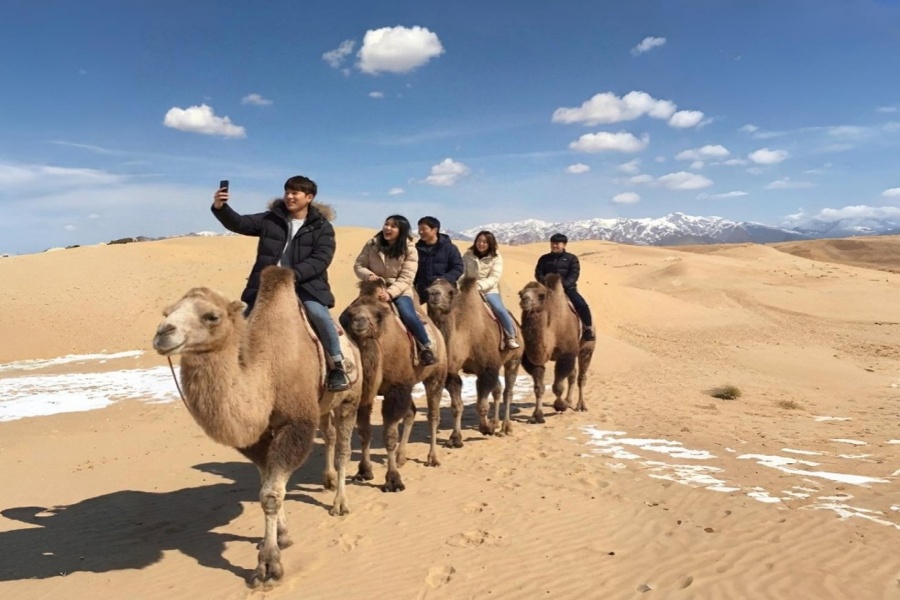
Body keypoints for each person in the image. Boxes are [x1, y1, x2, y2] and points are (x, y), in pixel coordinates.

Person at [211, 175, 351, 392]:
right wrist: (221, 208)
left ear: (309, 197)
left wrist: (293, 275)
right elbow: (239, 223)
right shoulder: (271, 219)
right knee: (241, 321)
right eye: (287, 192)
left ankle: (337, 366)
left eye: (295, 192)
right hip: (267, 285)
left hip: (305, 285)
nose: (289, 196)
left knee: (319, 315)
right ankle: (230, 369)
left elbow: (321, 259)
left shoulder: (322, 227)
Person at [353, 215, 438, 365]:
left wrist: (390, 293)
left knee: (408, 315)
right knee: (347, 316)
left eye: (393, 226)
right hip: (373, 289)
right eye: (386, 224)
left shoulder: (410, 249)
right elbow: (359, 265)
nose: (388, 228)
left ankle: (425, 346)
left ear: (402, 230)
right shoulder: (372, 244)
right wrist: (368, 275)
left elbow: (407, 277)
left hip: (400, 290)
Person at [462, 231, 521, 349]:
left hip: (488, 291)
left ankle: (510, 336)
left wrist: (478, 286)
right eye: (479, 241)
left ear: (490, 244)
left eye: (484, 242)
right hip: (467, 290)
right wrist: (462, 285)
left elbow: (494, 277)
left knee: (500, 309)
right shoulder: (467, 255)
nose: (481, 244)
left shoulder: (496, 257)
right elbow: (462, 273)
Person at [534, 232, 595, 341]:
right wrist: (546, 284)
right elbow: (538, 274)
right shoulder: (544, 259)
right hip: (546, 289)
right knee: (530, 305)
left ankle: (588, 329)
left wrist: (561, 286)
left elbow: (573, 275)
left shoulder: (572, 258)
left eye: (557, 243)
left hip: (568, 289)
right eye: (552, 243)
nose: (554, 245)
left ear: (564, 245)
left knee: (582, 305)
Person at [413, 216, 464, 304]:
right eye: (419, 229)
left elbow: (458, 267)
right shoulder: (416, 249)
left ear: (434, 230)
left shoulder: (450, 248)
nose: (420, 232)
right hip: (422, 292)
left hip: (444, 292)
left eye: (424, 229)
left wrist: (443, 279)